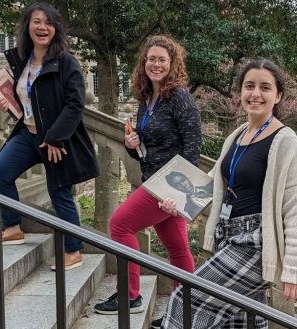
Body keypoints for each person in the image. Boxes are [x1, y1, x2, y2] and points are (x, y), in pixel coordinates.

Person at [156, 58, 297, 329]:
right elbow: (214, 186)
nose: (256, 93)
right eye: (249, 86)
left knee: (185, 298)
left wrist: (295, 269)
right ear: (240, 93)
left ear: (278, 96)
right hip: (227, 235)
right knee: (241, 321)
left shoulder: (285, 140)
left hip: (255, 243)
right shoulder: (238, 136)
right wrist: (179, 202)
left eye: (265, 87)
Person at [0, 2, 99, 272]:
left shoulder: (66, 62)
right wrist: (11, 105)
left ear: (55, 29)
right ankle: (11, 227)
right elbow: (31, 101)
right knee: (0, 172)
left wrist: (56, 138)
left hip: (55, 139)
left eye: (48, 22)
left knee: (59, 191)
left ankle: (73, 250)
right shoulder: (23, 61)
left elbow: (74, 105)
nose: (42, 27)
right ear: (28, 26)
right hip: (28, 134)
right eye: (37, 21)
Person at [93, 35, 201, 315]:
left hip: (168, 185)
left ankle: (129, 296)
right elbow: (146, 148)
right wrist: (133, 145)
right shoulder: (146, 99)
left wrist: (179, 195)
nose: (155, 64)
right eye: (151, 59)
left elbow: (193, 147)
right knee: (177, 250)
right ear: (144, 63)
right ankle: (183, 312)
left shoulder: (179, 97)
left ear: (172, 64)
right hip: (152, 178)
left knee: (119, 224)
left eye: (162, 60)